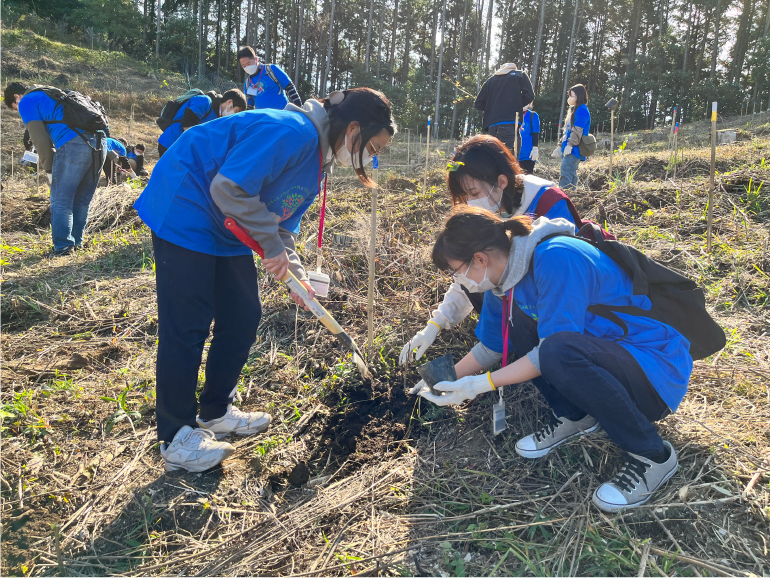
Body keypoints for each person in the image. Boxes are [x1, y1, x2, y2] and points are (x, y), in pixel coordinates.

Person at [134, 88, 396, 472]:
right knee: (187, 325)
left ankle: (215, 411)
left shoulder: (317, 163)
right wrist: (271, 247)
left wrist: (297, 277)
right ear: (353, 128)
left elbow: (281, 227)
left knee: (242, 315)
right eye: (373, 147)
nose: (372, 158)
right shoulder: (292, 131)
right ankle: (176, 438)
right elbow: (229, 187)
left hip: (227, 225)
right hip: (187, 206)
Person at [413, 207, 691, 512]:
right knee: (519, 324)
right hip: (602, 360)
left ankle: (653, 456)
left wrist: (482, 384)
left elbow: (553, 351)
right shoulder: (501, 285)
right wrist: (439, 382)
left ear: (480, 258)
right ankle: (576, 416)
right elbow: (491, 347)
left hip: (652, 369)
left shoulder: (557, 257)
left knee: (556, 350)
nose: (459, 281)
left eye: (457, 271)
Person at [400, 135, 596, 369]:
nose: (470, 203)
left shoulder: (547, 203)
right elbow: (469, 272)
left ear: (502, 182)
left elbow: (568, 279)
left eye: (473, 193)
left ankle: (525, 350)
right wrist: (435, 325)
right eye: (464, 197)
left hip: (559, 309)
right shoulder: (487, 214)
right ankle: (500, 342)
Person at [4, 82, 106, 256]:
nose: (18, 110)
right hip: (99, 143)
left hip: (73, 145)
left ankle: (63, 247)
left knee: (61, 200)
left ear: (16, 97)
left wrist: (49, 169)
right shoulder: (54, 94)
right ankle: (76, 243)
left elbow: (39, 140)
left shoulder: (27, 100)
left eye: (15, 107)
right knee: (81, 200)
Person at [157, 88, 246, 157]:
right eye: (236, 111)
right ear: (229, 103)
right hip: (171, 145)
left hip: (181, 149)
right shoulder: (205, 101)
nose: (234, 116)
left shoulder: (217, 117)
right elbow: (188, 123)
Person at [474, 63, 534, 154]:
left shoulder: (490, 81)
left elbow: (478, 104)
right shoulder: (520, 75)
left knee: (493, 158)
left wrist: (493, 109)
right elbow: (529, 95)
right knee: (509, 160)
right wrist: (515, 106)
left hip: (492, 127)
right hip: (510, 124)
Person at [238, 46, 302, 110]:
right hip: (263, 118)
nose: (247, 67)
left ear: (256, 59)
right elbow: (250, 105)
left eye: (248, 63)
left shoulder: (271, 70)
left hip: (281, 115)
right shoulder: (248, 83)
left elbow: (290, 87)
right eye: (244, 66)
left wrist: (299, 108)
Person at [558, 84, 591, 190]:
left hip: (574, 149)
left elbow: (577, 130)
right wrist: (560, 145)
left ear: (578, 96)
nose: (569, 99)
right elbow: (567, 131)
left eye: (571, 96)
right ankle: (572, 195)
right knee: (570, 172)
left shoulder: (582, 111)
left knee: (566, 171)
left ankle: (564, 195)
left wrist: (570, 145)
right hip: (569, 148)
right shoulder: (574, 110)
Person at [518, 102, 540, 175]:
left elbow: (535, 132)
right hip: (515, 155)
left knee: (527, 179)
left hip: (528, 155)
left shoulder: (533, 115)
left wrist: (535, 148)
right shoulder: (513, 115)